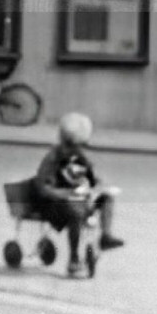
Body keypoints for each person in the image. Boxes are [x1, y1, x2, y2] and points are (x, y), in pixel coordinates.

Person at [32, 111, 123, 275]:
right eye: (72, 146)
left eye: (78, 146)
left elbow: (93, 178)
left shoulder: (80, 157)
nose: (76, 150)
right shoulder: (52, 159)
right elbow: (43, 188)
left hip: (78, 201)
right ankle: (73, 259)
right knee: (74, 213)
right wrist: (66, 194)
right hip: (56, 206)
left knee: (107, 198)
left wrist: (99, 186)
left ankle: (106, 236)